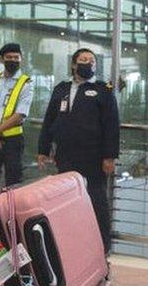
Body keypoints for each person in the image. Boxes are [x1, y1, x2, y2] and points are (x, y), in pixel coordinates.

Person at [37, 48, 119, 253]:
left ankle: (102, 247)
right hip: (65, 156)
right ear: (74, 64)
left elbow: (112, 125)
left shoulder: (102, 90)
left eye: (92, 61)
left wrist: (109, 156)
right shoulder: (61, 89)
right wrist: (43, 149)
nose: (88, 63)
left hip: (93, 158)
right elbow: (49, 121)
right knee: (67, 200)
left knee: (96, 201)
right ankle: (70, 245)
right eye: (83, 60)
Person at [0, 43, 32, 189]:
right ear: (1, 60)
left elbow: (20, 114)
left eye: (16, 57)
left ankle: (11, 212)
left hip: (13, 140)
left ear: (21, 59)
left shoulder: (26, 83)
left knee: (14, 183)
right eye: (9, 57)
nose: (13, 60)